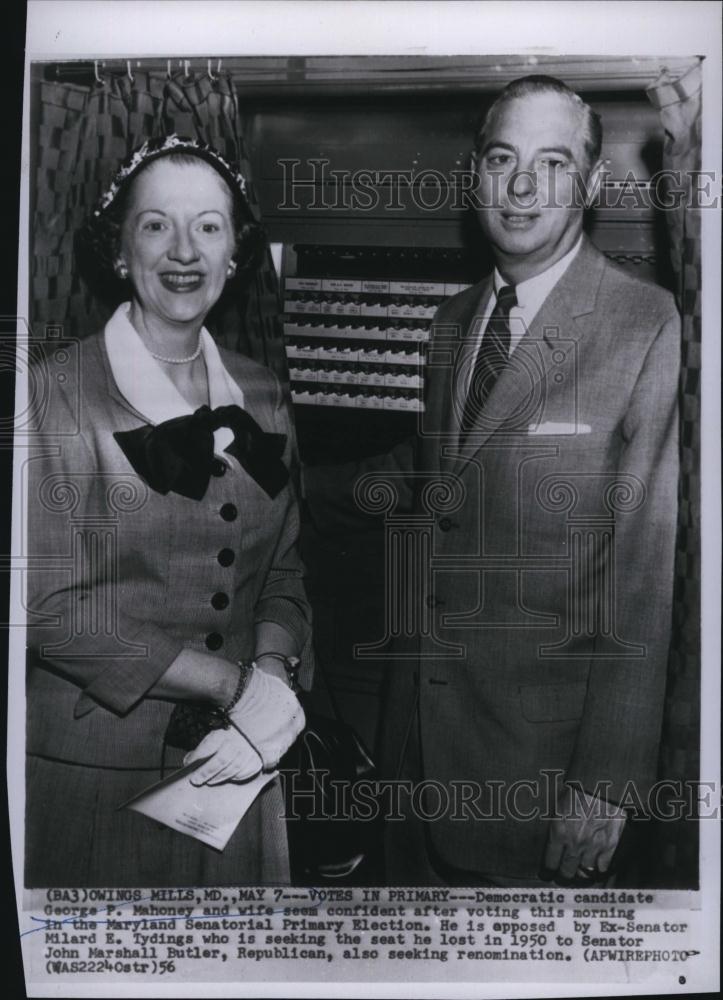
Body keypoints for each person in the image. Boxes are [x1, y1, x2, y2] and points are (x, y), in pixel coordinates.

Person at [305, 76, 681, 886]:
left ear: (589, 183)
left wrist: (605, 785)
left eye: (550, 164)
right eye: (501, 158)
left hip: (537, 767)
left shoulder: (645, 327)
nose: (519, 187)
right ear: (474, 171)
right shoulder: (453, 321)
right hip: (411, 745)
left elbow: (647, 575)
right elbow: (435, 472)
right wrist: (281, 486)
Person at [25, 135, 311, 887]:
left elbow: (283, 572)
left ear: (234, 254)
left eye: (208, 227)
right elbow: (46, 610)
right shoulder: (49, 395)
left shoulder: (265, 393)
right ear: (120, 252)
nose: (183, 250)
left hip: (242, 761)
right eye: (155, 224)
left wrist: (273, 682)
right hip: (96, 769)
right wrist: (235, 686)